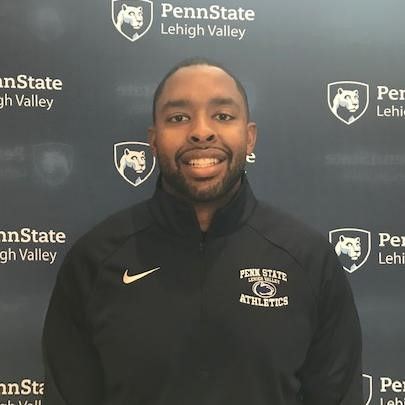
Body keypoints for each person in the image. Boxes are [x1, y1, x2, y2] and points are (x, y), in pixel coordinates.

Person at [42, 58, 363, 405]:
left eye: (222, 116)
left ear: (249, 137)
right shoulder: (94, 260)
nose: (201, 131)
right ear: (152, 140)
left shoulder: (309, 260)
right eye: (178, 118)